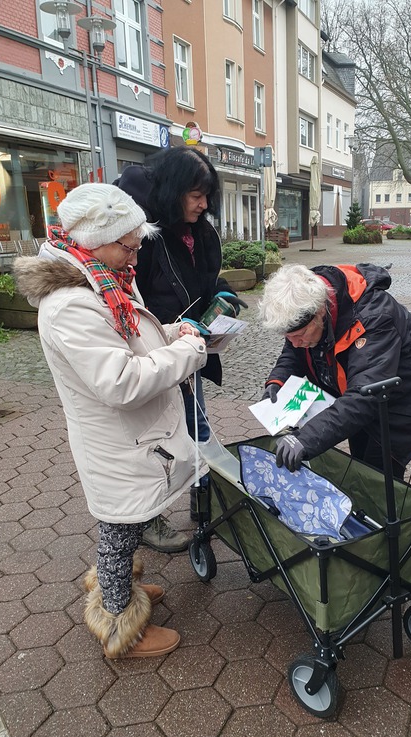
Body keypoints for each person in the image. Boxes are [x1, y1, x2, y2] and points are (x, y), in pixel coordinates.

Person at [14, 183, 209, 659]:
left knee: (128, 521)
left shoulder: (102, 277)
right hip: (117, 439)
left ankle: (118, 593)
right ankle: (121, 622)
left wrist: (169, 333)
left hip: (133, 436)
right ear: (94, 239)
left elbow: (131, 339)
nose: (136, 254)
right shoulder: (71, 303)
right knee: (120, 527)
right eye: (129, 244)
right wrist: (188, 350)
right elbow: (120, 381)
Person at [115, 147, 246, 552]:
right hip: (151, 351)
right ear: (173, 191)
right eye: (195, 194)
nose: (204, 203)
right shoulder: (144, 237)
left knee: (197, 426)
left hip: (188, 349)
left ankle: (203, 498)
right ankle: (148, 518)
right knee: (153, 438)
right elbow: (130, 298)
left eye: (207, 194)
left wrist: (221, 294)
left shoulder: (201, 232)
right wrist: (164, 335)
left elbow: (207, 282)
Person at [259, 263, 411, 479]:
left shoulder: (374, 317)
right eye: (288, 337)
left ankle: (390, 509)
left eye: (301, 334)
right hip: (364, 391)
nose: (294, 343)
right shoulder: (305, 307)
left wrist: (306, 439)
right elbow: (294, 350)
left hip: (410, 399)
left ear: (321, 311)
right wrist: (277, 381)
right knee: (360, 459)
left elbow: (363, 397)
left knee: (376, 474)